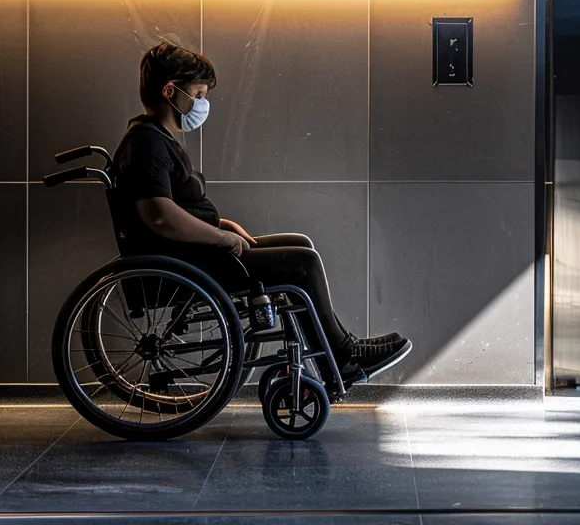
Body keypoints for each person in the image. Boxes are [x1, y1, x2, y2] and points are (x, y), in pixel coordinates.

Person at [107, 42, 411, 382]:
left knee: (299, 243)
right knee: (302, 264)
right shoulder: (146, 143)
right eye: (198, 93)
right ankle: (342, 357)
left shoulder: (156, 138)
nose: (202, 104)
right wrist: (220, 237)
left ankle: (340, 351)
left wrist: (222, 224)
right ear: (170, 91)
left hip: (193, 254)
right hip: (187, 263)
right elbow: (160, 216)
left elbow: (175, 209)